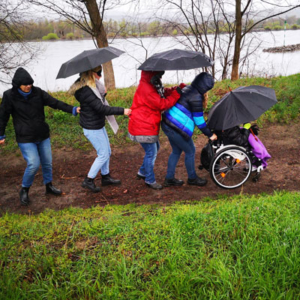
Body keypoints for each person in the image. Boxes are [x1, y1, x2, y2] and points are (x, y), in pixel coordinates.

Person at [0, 67, 80, 206]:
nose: (29, 87)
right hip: (25, 137)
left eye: (30, 84)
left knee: (47, 162)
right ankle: (24, 189)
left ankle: (49, 186)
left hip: (42, 135)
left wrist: (72, 109)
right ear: (18, 85)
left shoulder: (37, 92)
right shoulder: (9, 96)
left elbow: (54, 102)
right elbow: (3, 117)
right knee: (33, 164)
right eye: (26, 85)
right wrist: (1, 134)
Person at [69, 65, 131, 193]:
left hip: (97, 124)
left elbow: (98, 104)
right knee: (103, 154)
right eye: (98, 73)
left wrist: (103, 95)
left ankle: (105, 177)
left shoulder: (92, 87)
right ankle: (88, 180)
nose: (100, 76)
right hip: (92, 127)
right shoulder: (86, 90)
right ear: (91, 74)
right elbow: (101, 108)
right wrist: (123, 111)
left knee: (107, 151)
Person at [128, 70, 184, 190]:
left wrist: (176, 89)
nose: (160, 77)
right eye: (159, 75)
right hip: (142, 125)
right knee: (151, 153)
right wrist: (176, 94)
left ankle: (142, 172)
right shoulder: (147, 89)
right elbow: (162, 103)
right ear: (152, 73)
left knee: (155, 149)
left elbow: (162, 93)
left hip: (146, 124)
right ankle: (149, 180)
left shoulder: (151, 84)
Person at [161, 72, 217, 187]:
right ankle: (192, 178)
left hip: (167, 123)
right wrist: (210, 135)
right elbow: (199, 121)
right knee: (190, 150)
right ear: (205, 87)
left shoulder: (188, 88)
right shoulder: (196, 97)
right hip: (176, 127)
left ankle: (169, 178)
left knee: (176, 151)